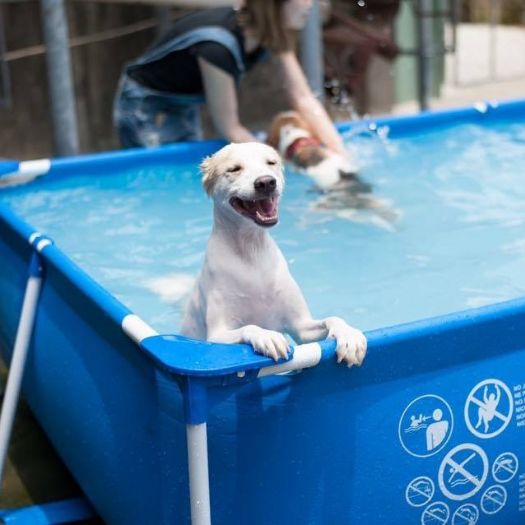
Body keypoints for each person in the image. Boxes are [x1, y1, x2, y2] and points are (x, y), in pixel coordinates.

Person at [113, 0, 347, 155]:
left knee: (186, 167)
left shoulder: (270, 33)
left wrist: (340, 154)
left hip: (184, 100)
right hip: (145, 102)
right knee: (156, 172)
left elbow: (303, 98)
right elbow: (230, 128)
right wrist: (281, 165)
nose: (310, 4)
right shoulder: (217, 47)